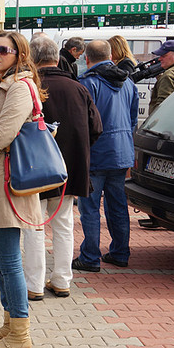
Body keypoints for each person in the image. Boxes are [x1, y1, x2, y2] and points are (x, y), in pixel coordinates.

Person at [23, 36, 103, 300]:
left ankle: (34, 285)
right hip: (69, 168)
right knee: (64, 224)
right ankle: (62, 280)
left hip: (34, 168)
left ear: (32, 59)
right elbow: (96, 128)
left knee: (35, 225)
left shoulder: (30, 86)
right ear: (57, 58)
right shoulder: (77, 87)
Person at [0, 31, 44, 348]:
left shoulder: (19, 87)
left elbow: (3, 134)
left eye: (2, 49)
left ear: (19, 54)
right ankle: (10, 320)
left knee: (7, 258)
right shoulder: (2, 84)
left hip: (6, 181)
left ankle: (20, 331)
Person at [74, 40, 138, 272]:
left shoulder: (88, 84)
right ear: (111, 56)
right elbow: (132, 121)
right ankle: (120, 252)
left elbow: (83, 124)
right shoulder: (128, 82)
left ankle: (90, 257)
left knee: (90, 208)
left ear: (86, 59)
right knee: (118, 206)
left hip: (96, 153)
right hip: (121, 153)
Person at [136, 40, 174, 229]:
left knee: (157, 177)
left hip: (167, 132)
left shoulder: (170, 75)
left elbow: (163, 107)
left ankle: (158, 217)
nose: (159, 58)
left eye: (163, 55)